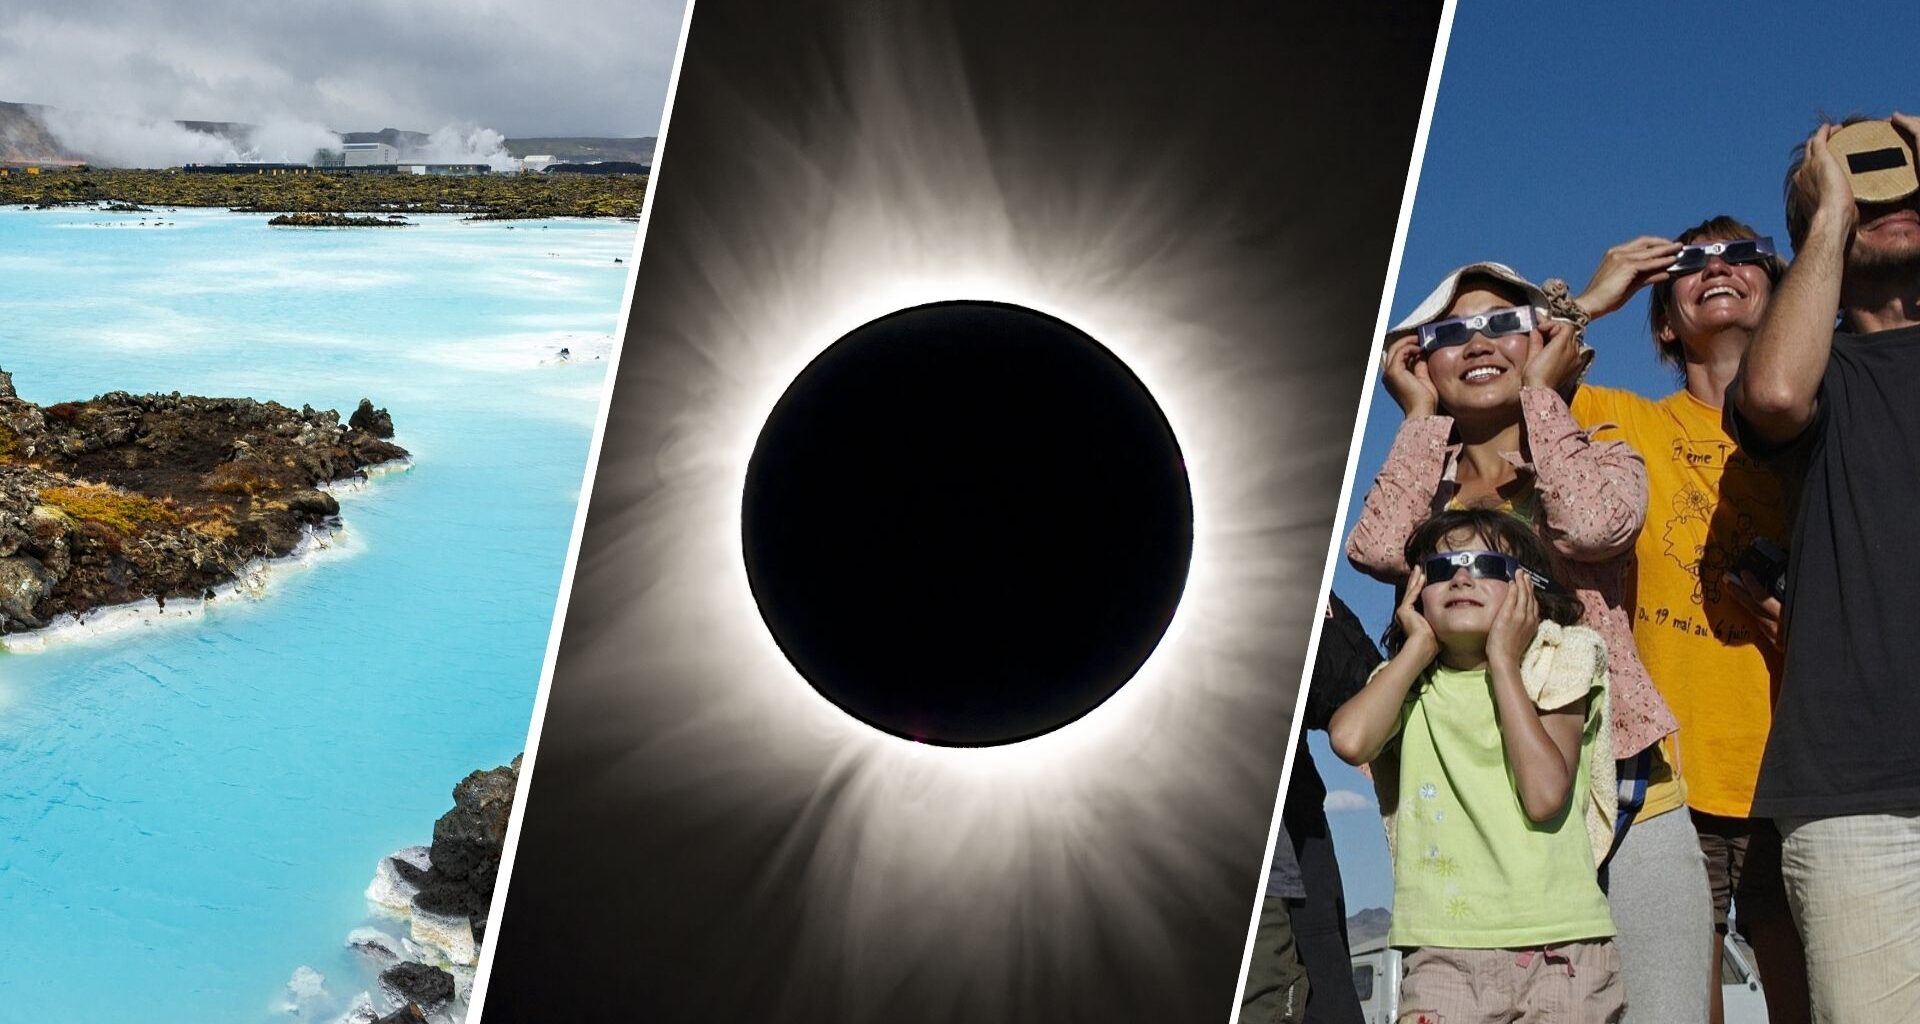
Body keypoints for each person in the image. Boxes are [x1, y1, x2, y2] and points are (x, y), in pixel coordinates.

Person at [1348, 263, 1709, 1022]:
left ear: (1542, 342)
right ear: (1419, 362)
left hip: (1628, 789)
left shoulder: (1602, 452)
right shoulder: (1427, 492)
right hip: (1490, 828)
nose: (1477, 343)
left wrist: (1545, 397)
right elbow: (1379, 551)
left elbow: (1591, 526)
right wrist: (1417, 419)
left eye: (1504, 325)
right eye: (1448, 333)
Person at [1569, 219, 1809, 1024]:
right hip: (1668, 787)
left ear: (1782, 295)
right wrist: (1589, 302)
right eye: (1692, 262)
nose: (1717, 267)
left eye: (1743, 255)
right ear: (1665, 318)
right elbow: (1511, 382)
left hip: (1803, 778)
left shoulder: (1826, 435)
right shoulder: (1621, 417)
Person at [1726, 113, 1920, 1022]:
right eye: (1859, 180)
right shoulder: (1816, 365)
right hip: (1859, 794)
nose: (1891, 196)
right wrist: (1827, 220)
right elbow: (1772, 395)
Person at [1330, 507, 1621, 1024]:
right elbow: (1350, 741)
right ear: (1418, 593)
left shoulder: (1560, 657)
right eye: (1441, 569)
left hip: (1560, 946)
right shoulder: (1405, 684)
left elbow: (1544, 795)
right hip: (1441, 950)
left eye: (1485, 564)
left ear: (1528, 589)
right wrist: (1417, 647)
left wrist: (1504, 663)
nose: (1462, 576)